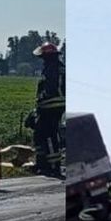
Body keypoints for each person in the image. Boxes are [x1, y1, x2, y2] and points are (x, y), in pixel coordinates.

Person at [31, 42, 65, 177]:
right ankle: (42, 163)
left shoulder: (53, 68)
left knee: (48, 135)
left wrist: (41, 99)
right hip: (51, 106)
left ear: (48, 56)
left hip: (50, 106)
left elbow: (50, 88)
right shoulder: (57, 66)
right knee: (39, 133)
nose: (42, 59)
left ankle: (53, 166)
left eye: (43, 56)